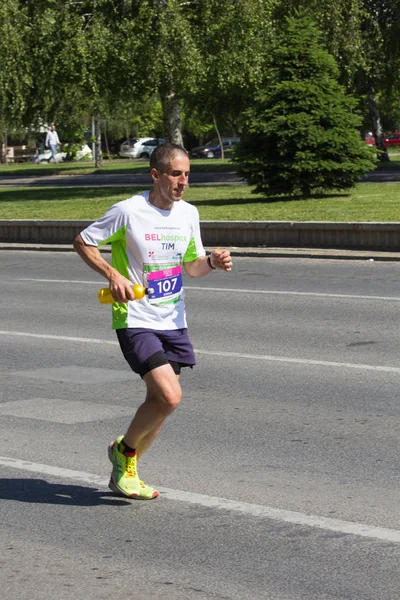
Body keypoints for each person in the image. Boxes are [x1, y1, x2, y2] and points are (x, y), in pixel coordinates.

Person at [73, 143, 232, 500]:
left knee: (160, 404)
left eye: (187, 174)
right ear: (156, 174)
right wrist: (113, 274)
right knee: (170, 396)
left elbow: (191, 266)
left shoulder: (188, 214)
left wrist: (212, 260)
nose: (183, 182)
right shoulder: (129, 211)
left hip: (173, 318)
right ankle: (124, 453)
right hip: (135, 316)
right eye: (176, 174)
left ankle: (125, 470)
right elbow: (84, 241)